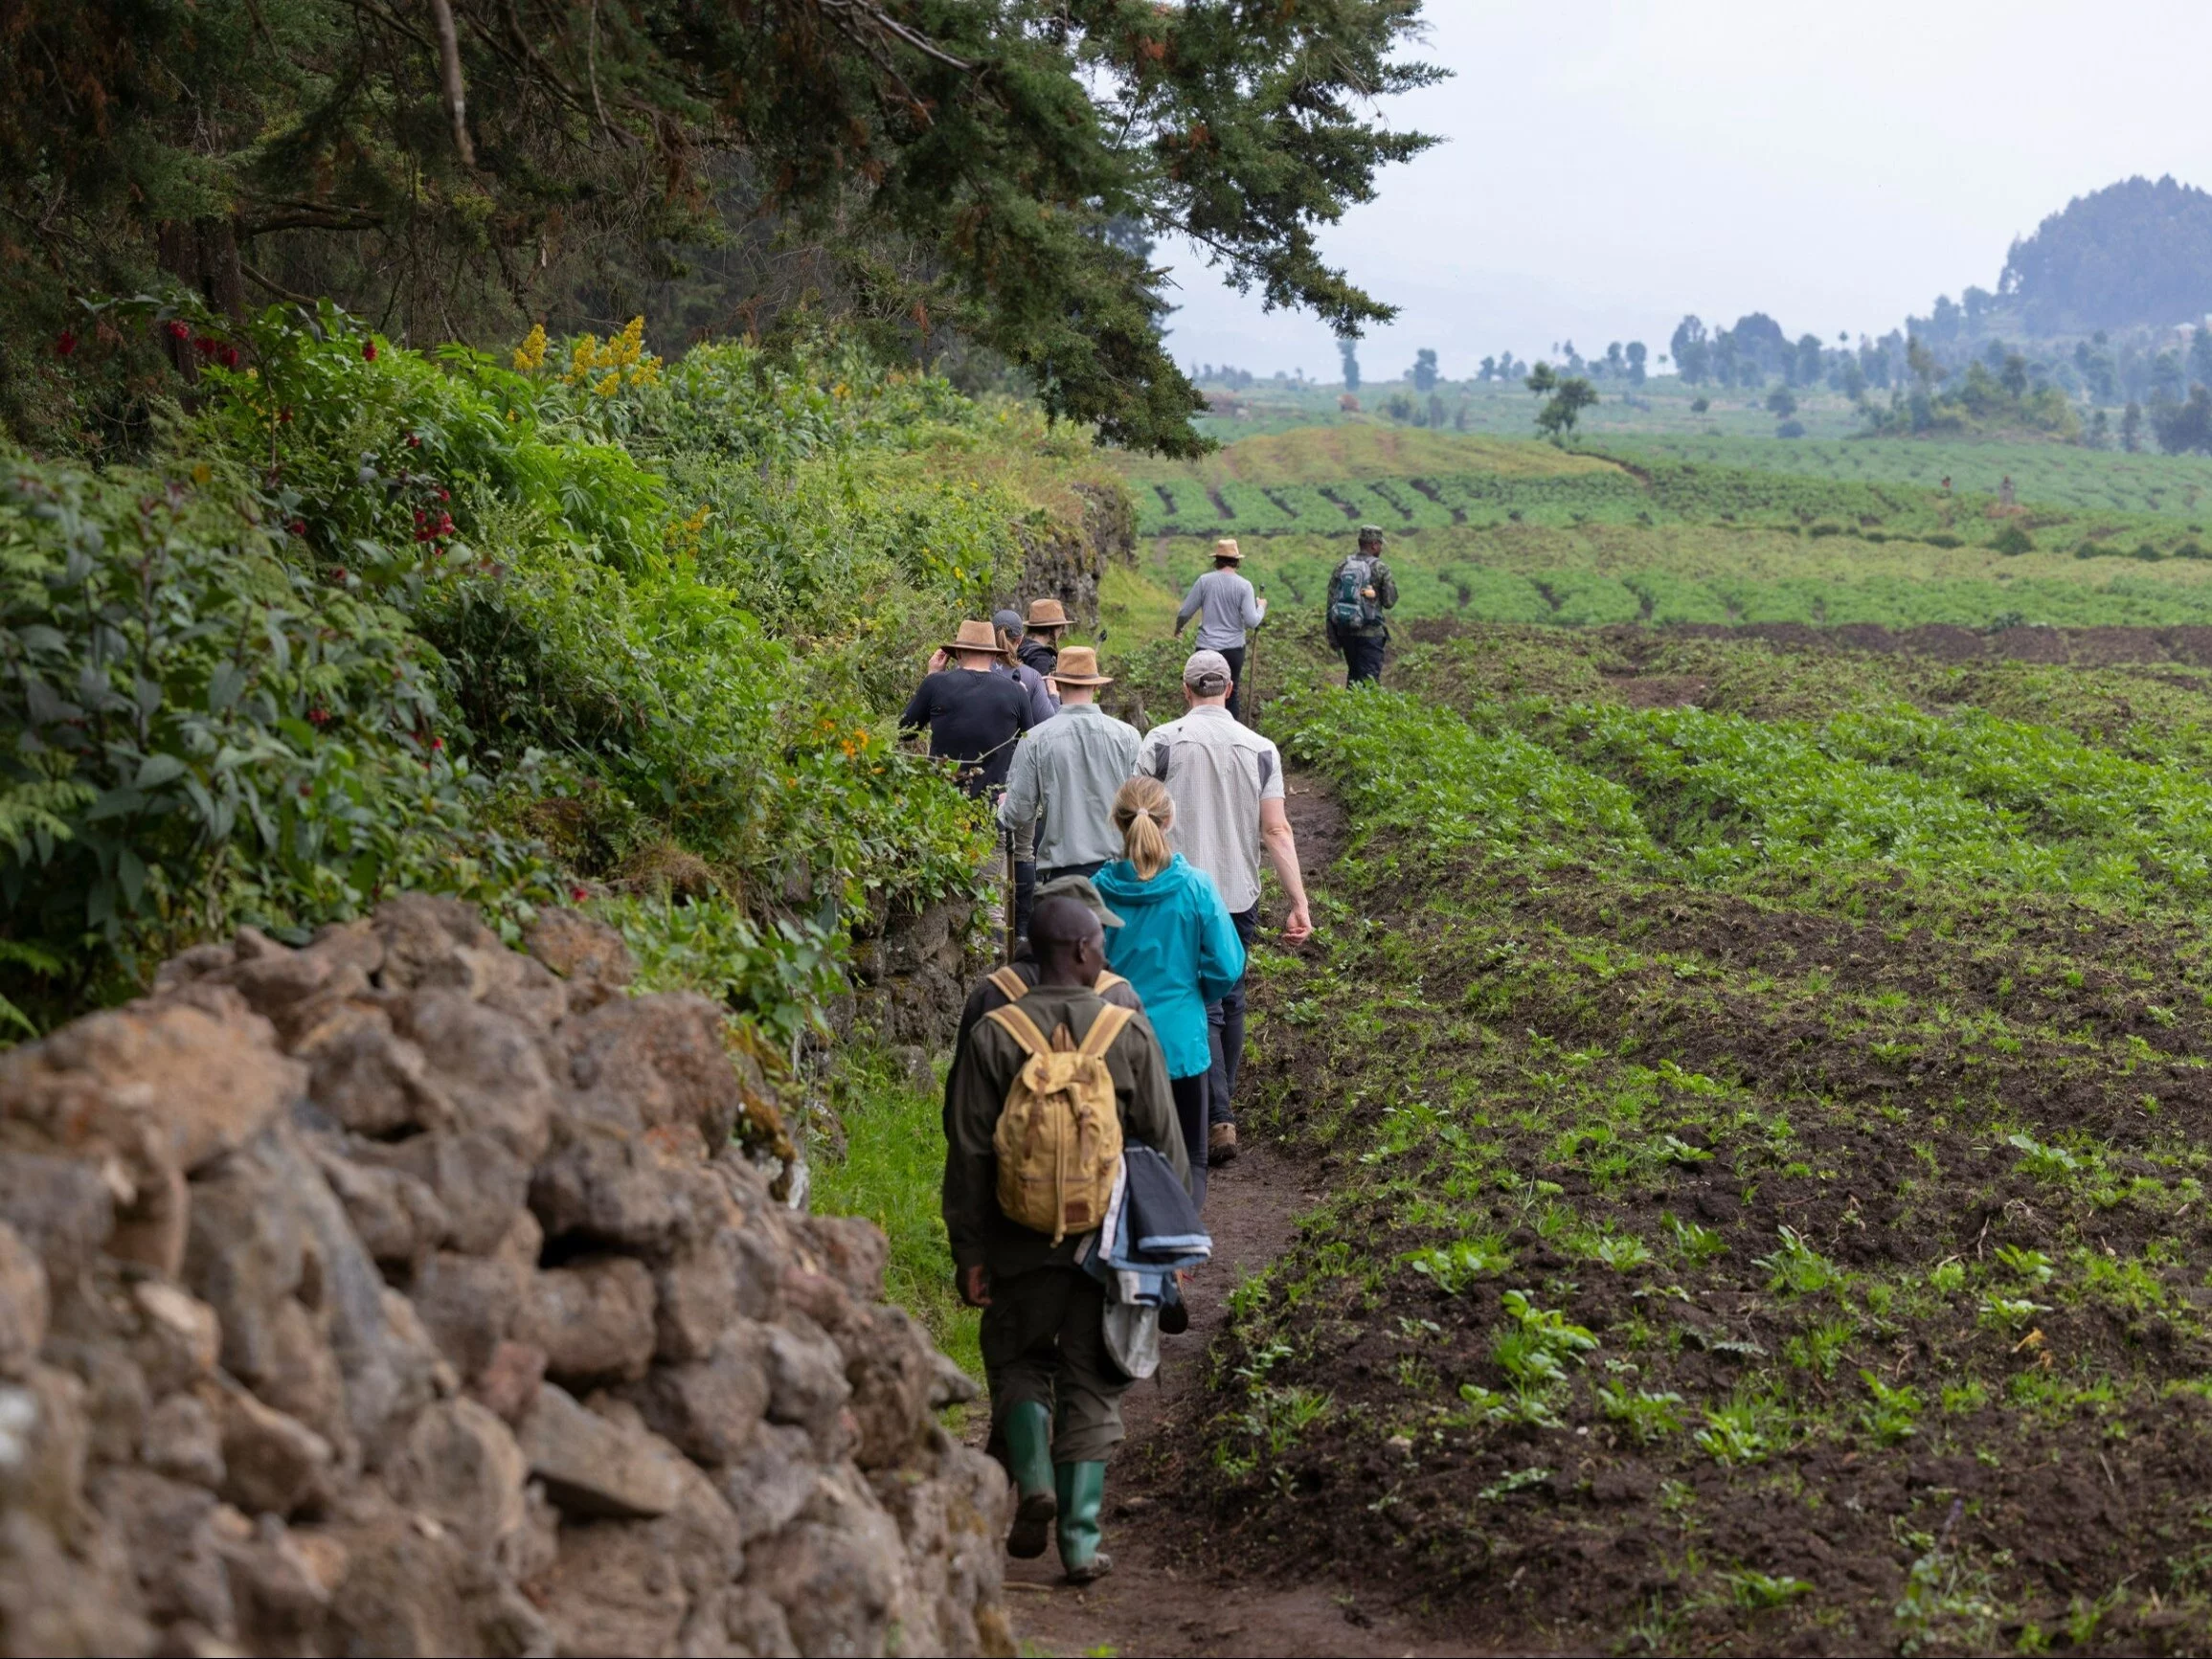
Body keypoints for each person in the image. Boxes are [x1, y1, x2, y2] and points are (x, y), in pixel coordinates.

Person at [943, 894, 1186, 1584]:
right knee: (1094, 1381)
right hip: (1104, 1245)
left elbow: (966, 1151)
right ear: (1082, 950)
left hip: (1016, 1240)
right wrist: (1162, 1250)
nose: (1105, 954)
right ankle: (1080, 1542)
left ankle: (1034, 1476)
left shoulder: (995, 1030)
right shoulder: (1126, 1029)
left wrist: (970, 1251)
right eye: (1099, 946)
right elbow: (1164, 1148)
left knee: (1018, 1358)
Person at [1137, 649, 1314, 1166]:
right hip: (1238, 894)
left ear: (1186, 689)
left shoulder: (1162, 741)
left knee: (1195, 1000)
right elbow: (1276, 830)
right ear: (1229, 689)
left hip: (1175, 892)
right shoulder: (1261, 748)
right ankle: (1221, 1108)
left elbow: (1137, 820)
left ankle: (1212, 1114)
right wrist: (1298, 902)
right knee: (1229, 997)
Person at [1093, 778, 1246, 1210]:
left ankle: (1127, 1248)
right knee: (1191, 1159)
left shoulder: (1097, 891)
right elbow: (1228, 965)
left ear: (1117, 823)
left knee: (1119, 1156)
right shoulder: (1195, 887)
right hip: (1180, 1043)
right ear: (1169, 819)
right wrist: (1197, 992)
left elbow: (1081, 969)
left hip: (1114, 1041)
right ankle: (1178, 1256)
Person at [998, 646, 1140, 937]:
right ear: (1094, 687)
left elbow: (1019, 813)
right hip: (1118, 872)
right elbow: (1140, 803)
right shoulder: (1127, 736)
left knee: (1069, 961)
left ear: (1057, 685)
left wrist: (1002, 807)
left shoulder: (1036, 739)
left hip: (1063, 875)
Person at [950, 876, 1144, 1065]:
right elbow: (1152, 1094)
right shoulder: (1120, 997)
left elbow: (962, 1094)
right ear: (1084, 944)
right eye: (1100, 932)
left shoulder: (989, 995)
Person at [900, 618, 1033, 795]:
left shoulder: (935, 684)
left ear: (959, 653)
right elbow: (1031, 748)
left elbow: (904, 731)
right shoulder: (1016, 692)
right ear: (994, 656)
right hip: (990, 806)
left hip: (943, 802)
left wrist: (930, 677)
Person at [1173, 537, 1266, 720]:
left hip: (1206, 648)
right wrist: (1261, 606)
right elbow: (1252, 621)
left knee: (1201, 693)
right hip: (1233, 650)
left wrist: (1179, 628)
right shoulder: (1244, 586)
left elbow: (1185, 612)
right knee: (1230, 693)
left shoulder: (1204, 581)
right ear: (1237, 561)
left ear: (1216, 560)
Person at [1324, 525, 1398, 686]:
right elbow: (1389, 601)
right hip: (1370, 634)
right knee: (1370, 682)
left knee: (1353, 677)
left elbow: (1330, 603)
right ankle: (1366, 711)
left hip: (1345, 631)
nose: (1381, 548)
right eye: (1380, 544)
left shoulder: (1342, 566)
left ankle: (1350, 710)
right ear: (1374, 545)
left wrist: (1333, 636)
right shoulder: (1380, 568)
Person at [992, 610, 1057, 726]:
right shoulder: (1032, 677)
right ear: (1020, 639)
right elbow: (1051, 725)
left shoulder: (973, 668)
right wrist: (1054, 695)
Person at [1019, 597, 1072, 681]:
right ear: (1052, 629)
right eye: (1061, 627)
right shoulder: (1042, 660)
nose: (1062, 631)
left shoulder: (1019, 646)